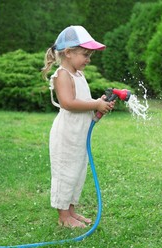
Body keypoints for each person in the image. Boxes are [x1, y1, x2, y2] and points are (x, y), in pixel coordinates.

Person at [41, 25, 115, 228]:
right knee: (65, 172)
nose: (88, 59)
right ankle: (63, 216)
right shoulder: (62, 75)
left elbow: (83, 102)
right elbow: (68, 103)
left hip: (79, 134)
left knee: (76, 172)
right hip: (66, 135)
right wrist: (95, 104)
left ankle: (71, 211)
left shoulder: (79, 75)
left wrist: (98, 107)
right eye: (85, 54)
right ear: (68, 53)